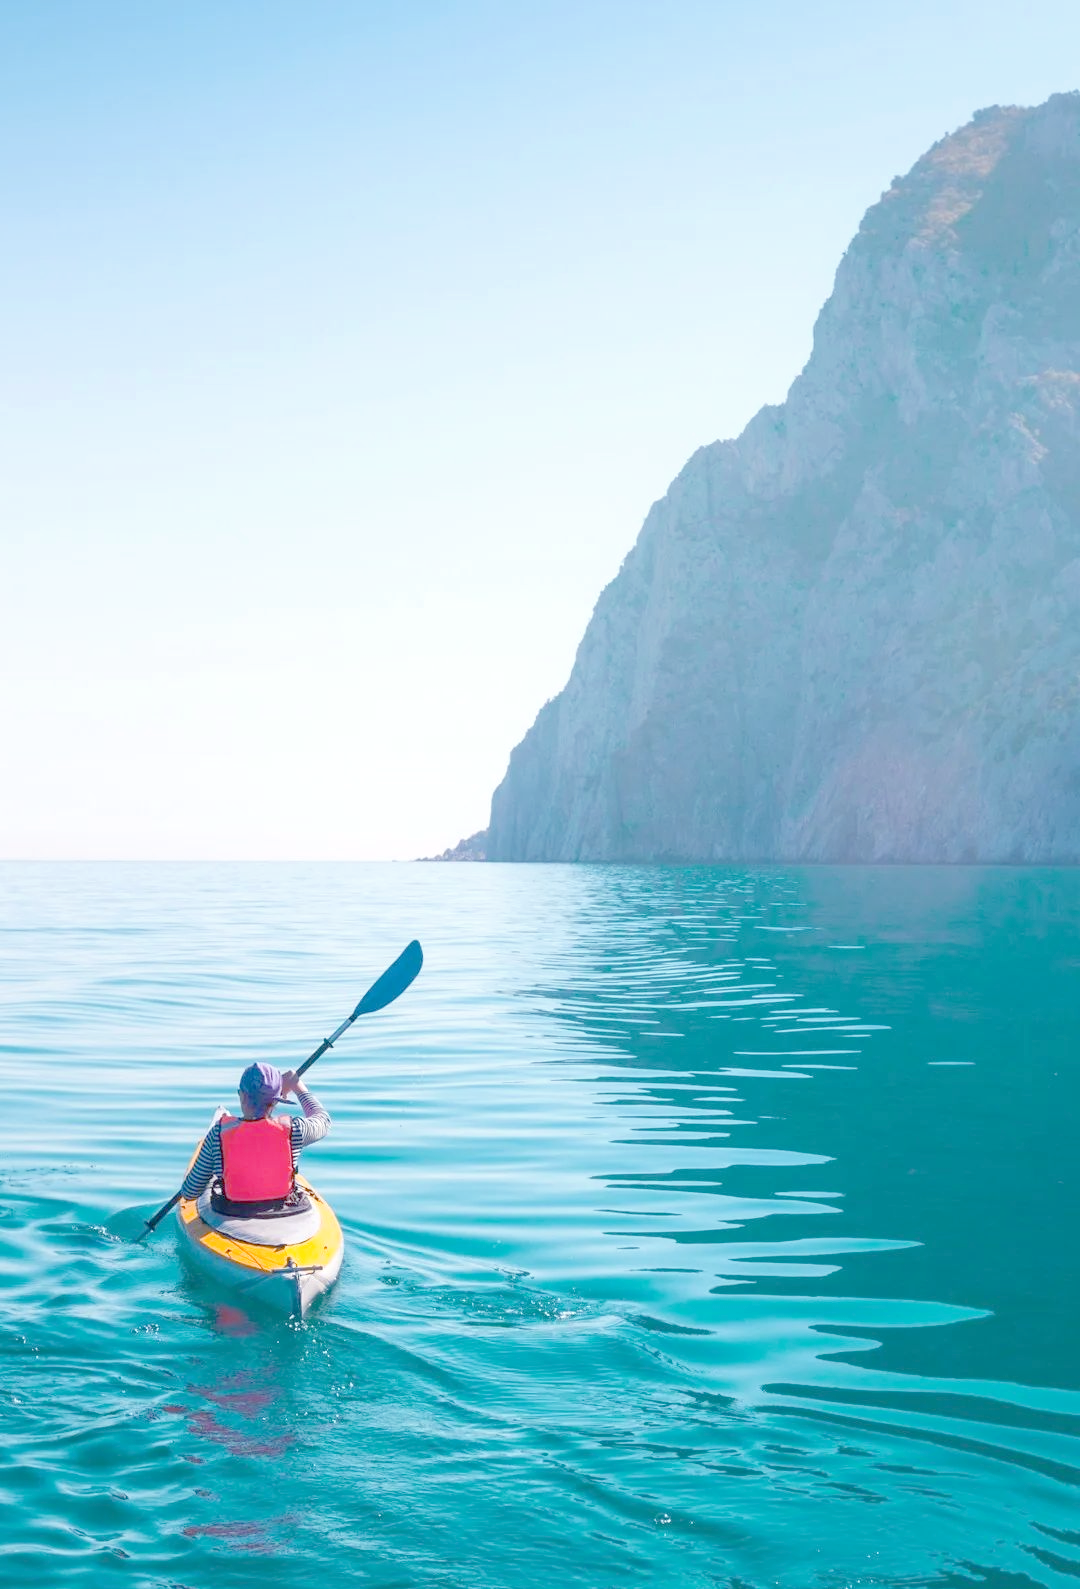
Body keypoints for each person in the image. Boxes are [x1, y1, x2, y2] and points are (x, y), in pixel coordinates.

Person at [179, 1062, 331, 1213]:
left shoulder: (218, 1133)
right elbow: (324, 1120)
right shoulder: (295, 1130)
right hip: (283, 1210)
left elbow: (190, 1192)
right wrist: (296, 1085)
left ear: (242, 1096)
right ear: (277, 1100)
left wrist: (217, 1168)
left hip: (233, 1211)